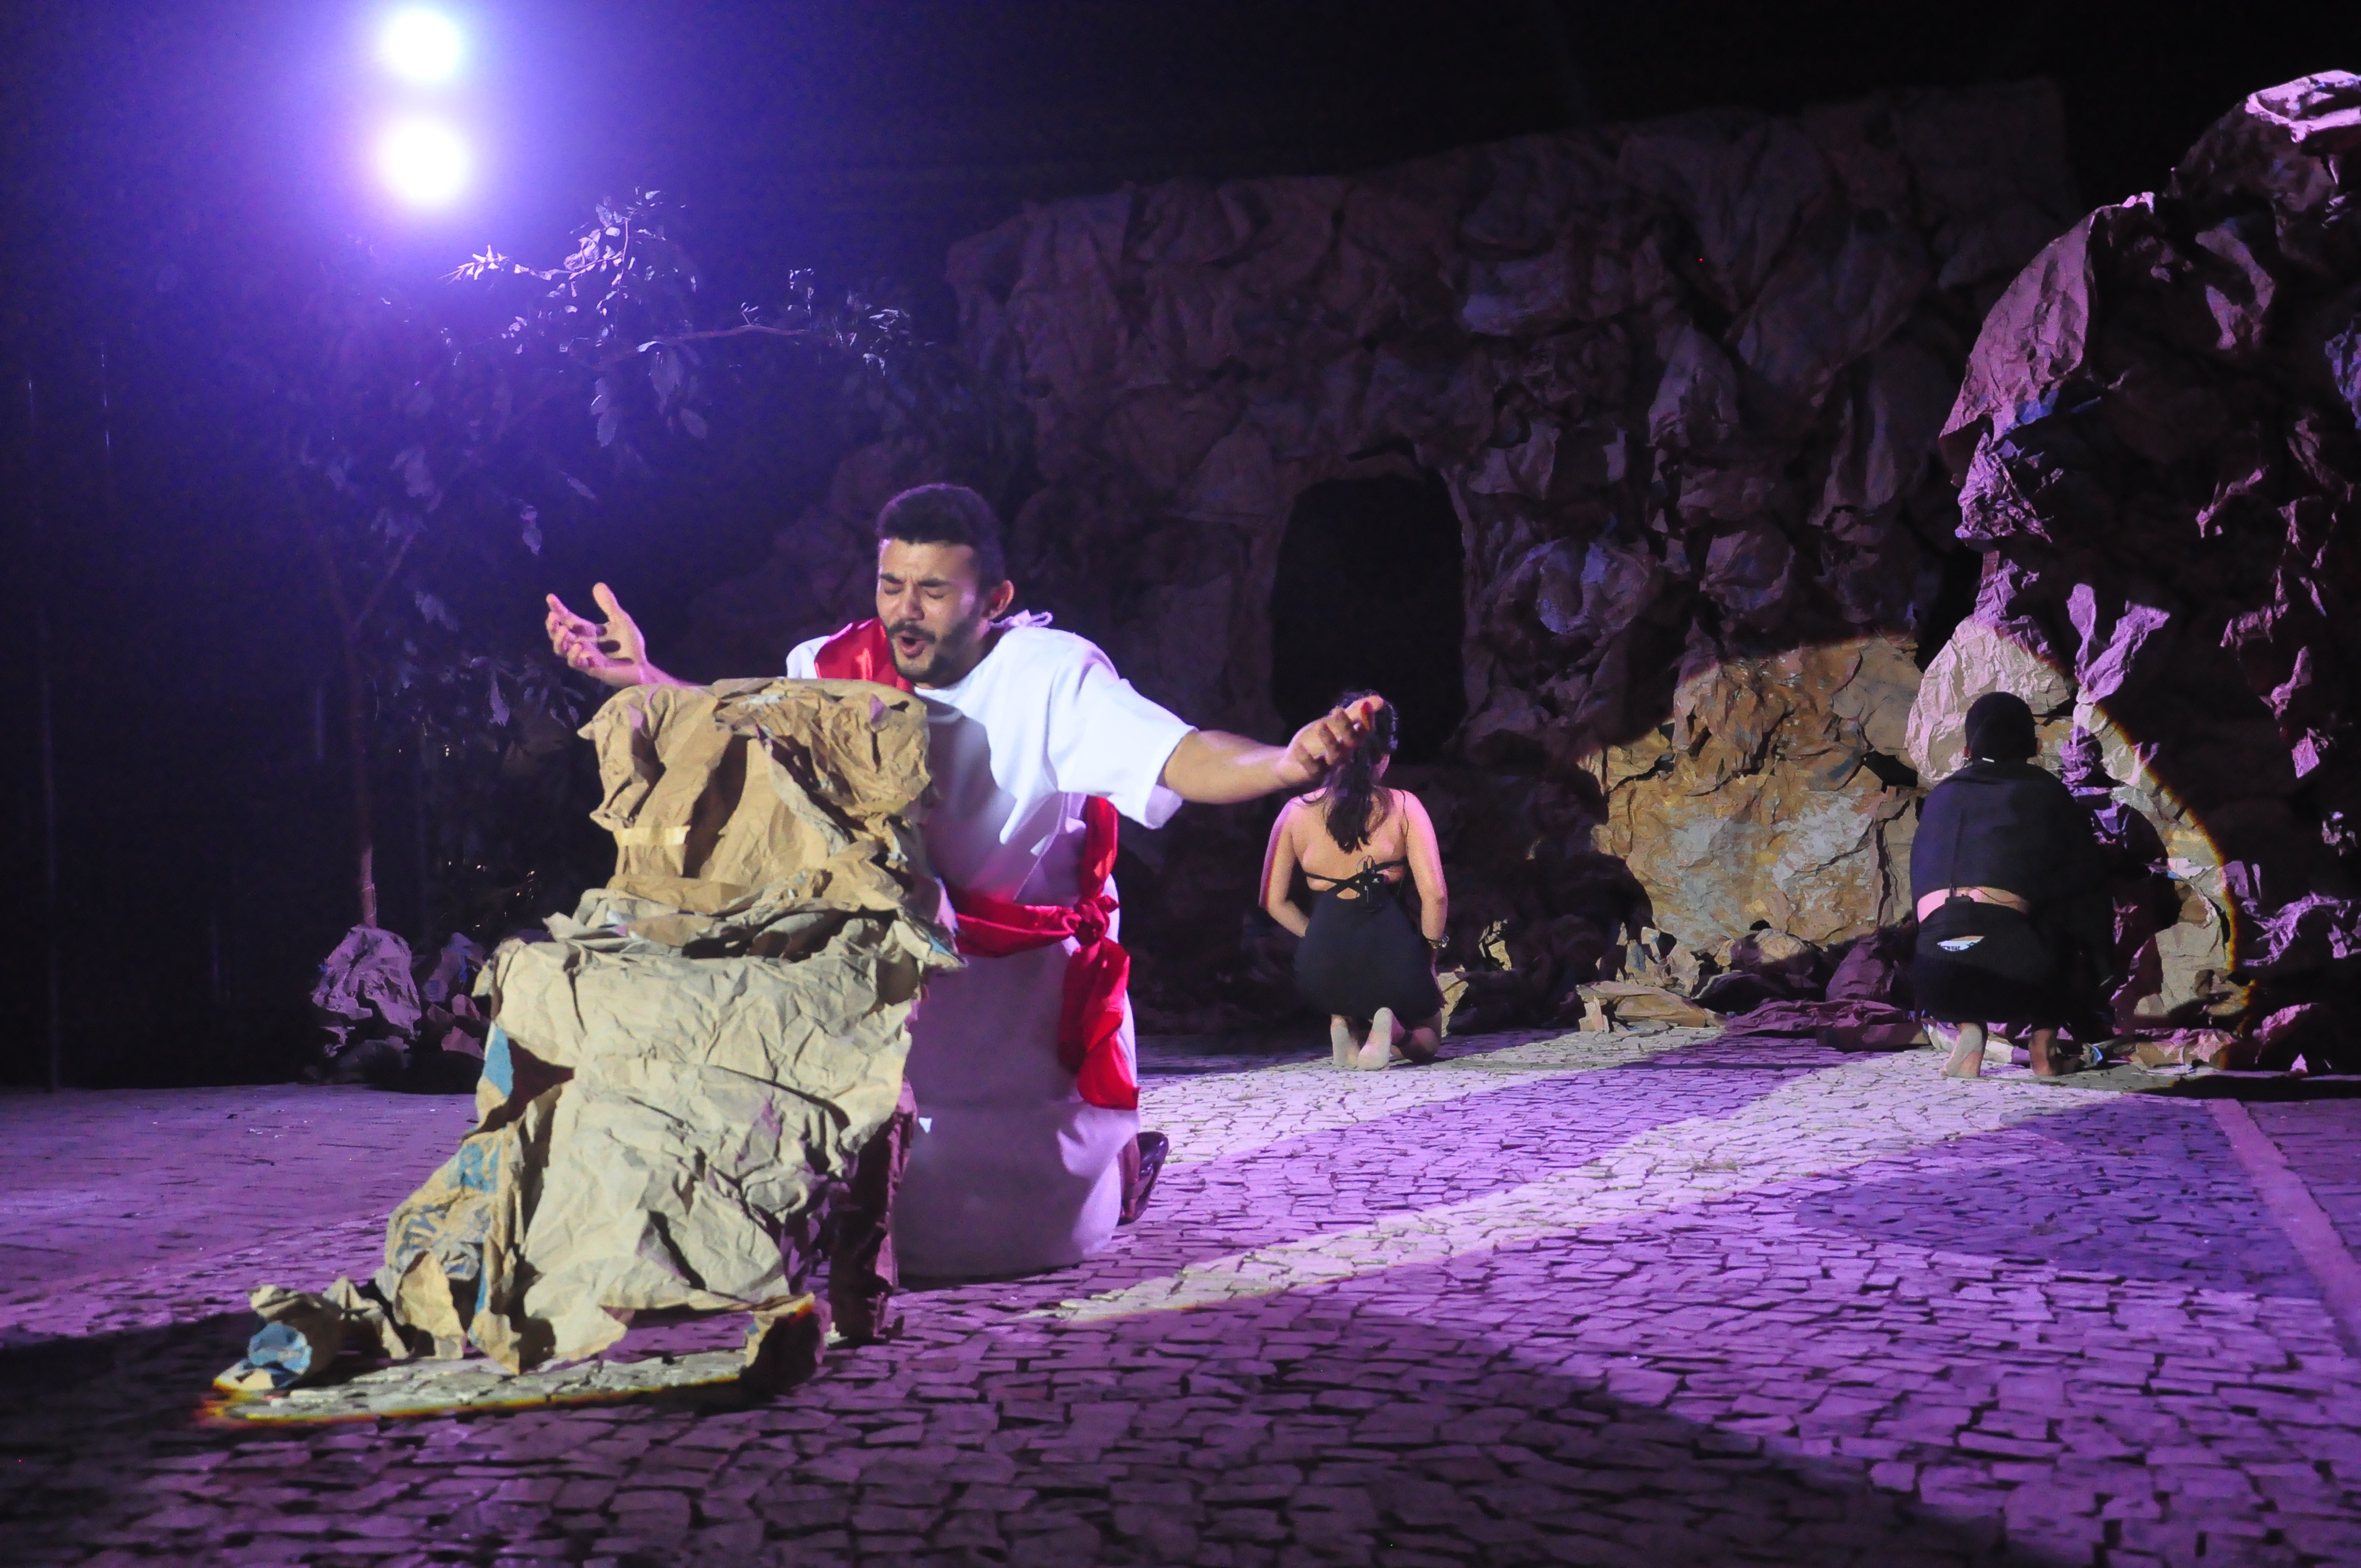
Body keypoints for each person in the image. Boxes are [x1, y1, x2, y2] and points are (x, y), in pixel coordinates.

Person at [545, 483, 1380, 1279]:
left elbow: (1180, 753)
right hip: (875, 977)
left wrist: (1282, 763)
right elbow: (750, 738)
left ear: (995, 599)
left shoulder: (1051, 677)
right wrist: (645, 680)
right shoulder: (832, 665)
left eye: (934, 591)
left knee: (1010, 1225)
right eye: (892, 586)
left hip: (1010, 1000)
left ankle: (1115, 1165)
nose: (905, 611)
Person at [1909, 691, 2114, 1079]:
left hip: (1933, 981)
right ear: (2035, 748)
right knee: (2059, 916)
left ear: (1967, 750)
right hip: (2016, 978)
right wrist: (2103, 967)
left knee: (1949, 923)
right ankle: (2044, 1052)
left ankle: (1968, 1032)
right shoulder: (2046, 791)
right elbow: (2085, 885)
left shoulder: (1939, 797)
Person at [1260, 693, 1449, 1070]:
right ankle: (1393, 1030)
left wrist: (1319, 935)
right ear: (1385, 756)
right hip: (1392, 957)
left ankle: (1343, 1023)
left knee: (1345, 985)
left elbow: (1272, 900)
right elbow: (1436, 896)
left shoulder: (1295, 812)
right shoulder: (1404, 806)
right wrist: (1428, 959)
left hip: (1321, 966)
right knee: (1429, 1036)